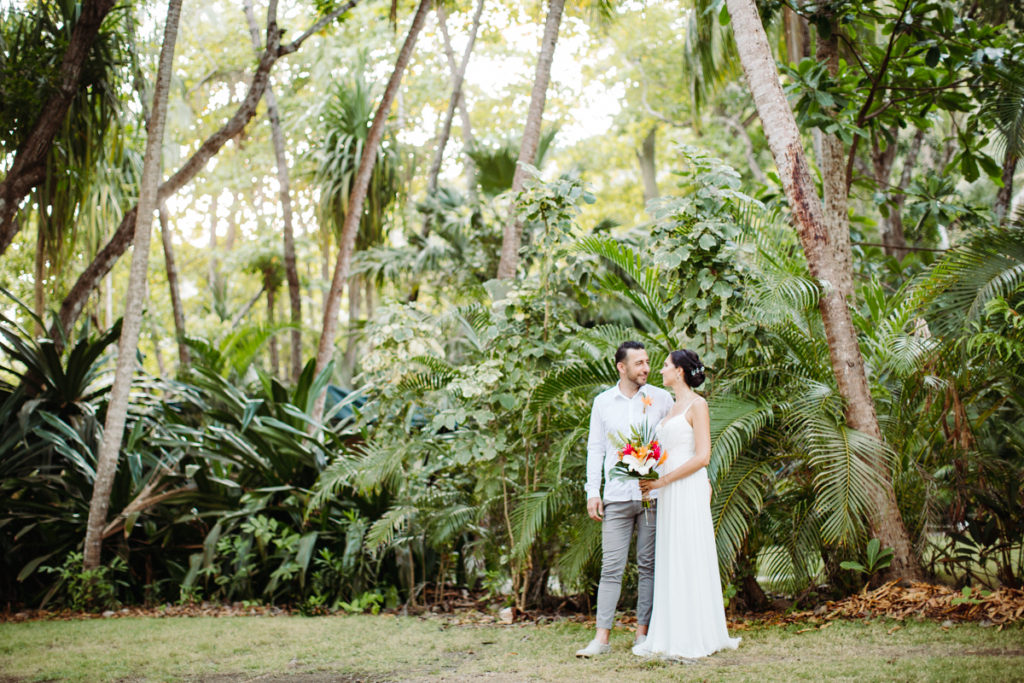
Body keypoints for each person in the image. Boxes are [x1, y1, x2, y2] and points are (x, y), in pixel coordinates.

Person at [631, 349, 741, 659]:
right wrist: (643, 467)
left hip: (687, 487)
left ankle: (696, 633)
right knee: (672, 555)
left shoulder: (697, 405)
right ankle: (671, 632)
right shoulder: (670, 407)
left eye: (665, 365)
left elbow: (703, 456)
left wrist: (663, 481)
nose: (660, 370)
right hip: (668, 491)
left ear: (679, 371)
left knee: (689, 553)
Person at [575, 341, 672, 658]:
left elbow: (674, 440)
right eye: (639, 363)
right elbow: (595, 448)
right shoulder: (603, 402)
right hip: (616, 497)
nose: (646, 368)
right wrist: (593, 491)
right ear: (622, 367)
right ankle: (601, 639)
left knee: (648, 567)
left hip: (652, 496)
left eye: (648, 362)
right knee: (611, 568)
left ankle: (643, 635)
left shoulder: (661, 398)